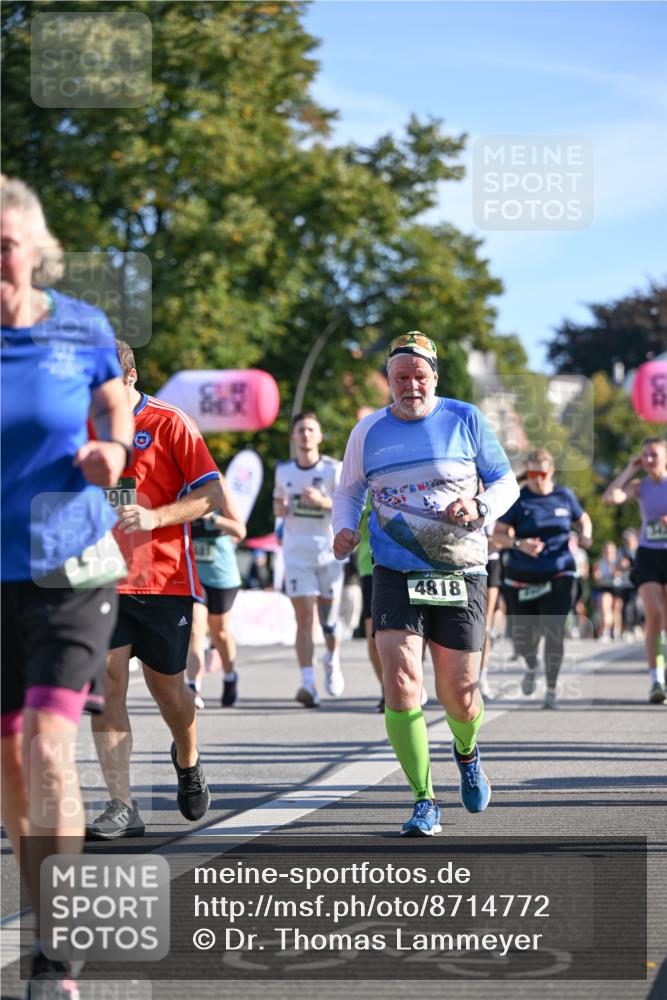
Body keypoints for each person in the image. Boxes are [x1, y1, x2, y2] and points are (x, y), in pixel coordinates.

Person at [1, 176, 134, 994]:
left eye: (3, 246)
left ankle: (61, 950)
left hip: (66, 565)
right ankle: (46, 915)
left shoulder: (79, 326)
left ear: (34, 252)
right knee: (10, 765)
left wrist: (112, 452)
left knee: (48, 746)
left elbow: (116, 405)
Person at [333, 332, 519, 836]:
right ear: (388, 381)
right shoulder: (367, 431)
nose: (411, 386)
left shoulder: (465, 419)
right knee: (400, 683)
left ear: (435, 377)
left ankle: (467, 750)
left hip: (460, 569)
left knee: (459, 694)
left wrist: (479, 505)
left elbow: (506, 483)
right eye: (401, 377)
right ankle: (423, 798)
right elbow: (348, 492)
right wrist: (343, 528)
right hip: (395, 569)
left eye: (419, 376)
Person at [87, 340, 223, 839]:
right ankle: (122, 805)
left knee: (167, 689)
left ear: (131, 377)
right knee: (106, 685)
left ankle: (187, 759)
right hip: (101, 579)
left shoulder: (170, 423)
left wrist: (155, 516)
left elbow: (212, 494)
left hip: (164, 579)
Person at [493, 448, 593, 709]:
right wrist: (519, 544)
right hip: (521, 576)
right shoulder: (518, 499)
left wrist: (586, 536)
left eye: (542, 474)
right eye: (532, 474)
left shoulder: (564, 496)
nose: (537, 479)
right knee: (524, 638)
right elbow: (498, 534)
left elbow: (583, 519)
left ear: (552, 472)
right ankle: (531, 665)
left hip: (559, 573)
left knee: (554, 631)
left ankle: (551, 690)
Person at [274, 411, 345, 707]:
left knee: (329, 623)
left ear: (320, 436)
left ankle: (331, 658)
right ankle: (308, 684)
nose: (305, 435)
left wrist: (321, 501)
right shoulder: (283, 470)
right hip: (296, 554)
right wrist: (281, 509)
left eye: (311, 430)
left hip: (329, 554)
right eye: (301, 430)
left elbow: (347, 506)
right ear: (293, 436)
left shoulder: (333, 469)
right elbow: (278, 504)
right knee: (304, 620)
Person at [603, 438, 667, 703]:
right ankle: (656, 681)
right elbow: (610, 497)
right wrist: (630, 469)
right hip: (648, 555)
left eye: (654, 454)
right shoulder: (640, 486)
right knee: (654, 614)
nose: (649, 459)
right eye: (645, 455)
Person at [186, 480, 246, 709]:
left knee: (220, 633)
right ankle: (193, 686)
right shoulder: (183, 488)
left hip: (222, 575)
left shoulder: (218, 486)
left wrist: (212, 518)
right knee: (195, 629)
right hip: (194, 575)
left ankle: (230, 676)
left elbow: (240, 531)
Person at [591, 540, 622, 641]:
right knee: (605, 608)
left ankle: (616, 631)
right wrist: (597, 576)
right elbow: (596, 578)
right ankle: (606, 630)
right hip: (605, 587)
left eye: (611, 551)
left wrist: (614, 568)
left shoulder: (618, 561)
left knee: (616, 610)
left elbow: (618, 574)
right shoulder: (599, 563)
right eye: (607, 551)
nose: (609, 553)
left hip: (617, 587)